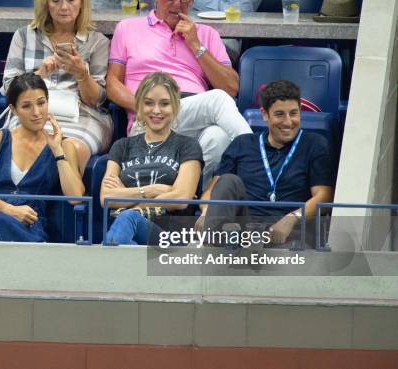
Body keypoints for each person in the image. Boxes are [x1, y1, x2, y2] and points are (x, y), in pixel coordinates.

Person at [107, 0, 252, 188]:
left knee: (218, 137)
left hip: (196, 116)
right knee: (218, 99)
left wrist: (196, 44)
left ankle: (195, 199)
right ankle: (256, 157)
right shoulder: (127, 28)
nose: (177, 4)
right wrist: (147, 108)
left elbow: (231, 87)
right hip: (149, 118)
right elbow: (111, 84)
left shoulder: (207, 34)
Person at [196, 80, 334, 246]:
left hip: (288, 232)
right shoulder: (243, 143)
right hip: (245, 229)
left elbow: (324, 197)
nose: (288, 122)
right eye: (279, 114)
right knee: (228, 180)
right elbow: (214, 191)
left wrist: (292, 218)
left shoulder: (314, 144)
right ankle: (215, 250)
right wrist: (206, 213)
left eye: (294, 113)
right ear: (264, 114)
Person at [0, 73, 84, 242]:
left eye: (41, 103)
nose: (37, 112)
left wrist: (57, 151)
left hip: (30, 225)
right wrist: (9, 210)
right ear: (13, 109)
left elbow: (75, 197)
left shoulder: (65, 146)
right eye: (26, 106)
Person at [1, 0, 113, 175]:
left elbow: (96, 100)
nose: (64, 7)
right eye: (56, 1)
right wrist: (39, 75)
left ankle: (65, 199)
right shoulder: (23, 36)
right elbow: (10, 90)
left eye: (71, 0)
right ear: (45, 4)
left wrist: (81, 74)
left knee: (71, 148)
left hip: (83, 115)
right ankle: (27, 195)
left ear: (82, 3)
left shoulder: (97, 42)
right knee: (21, 144)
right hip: (32, 111)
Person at [101, 72, 204, 245]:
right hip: (126, 236)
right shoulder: (122, 146)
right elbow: (107, 198)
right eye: (149, 103)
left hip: (168, 236)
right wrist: (153, 190)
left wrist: (129, 202)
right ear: (139, 107)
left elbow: (181, 198)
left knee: (128, 217)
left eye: (164, 104)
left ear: (175, 107)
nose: (156, 110)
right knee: (128, 249)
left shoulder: (188, 146)